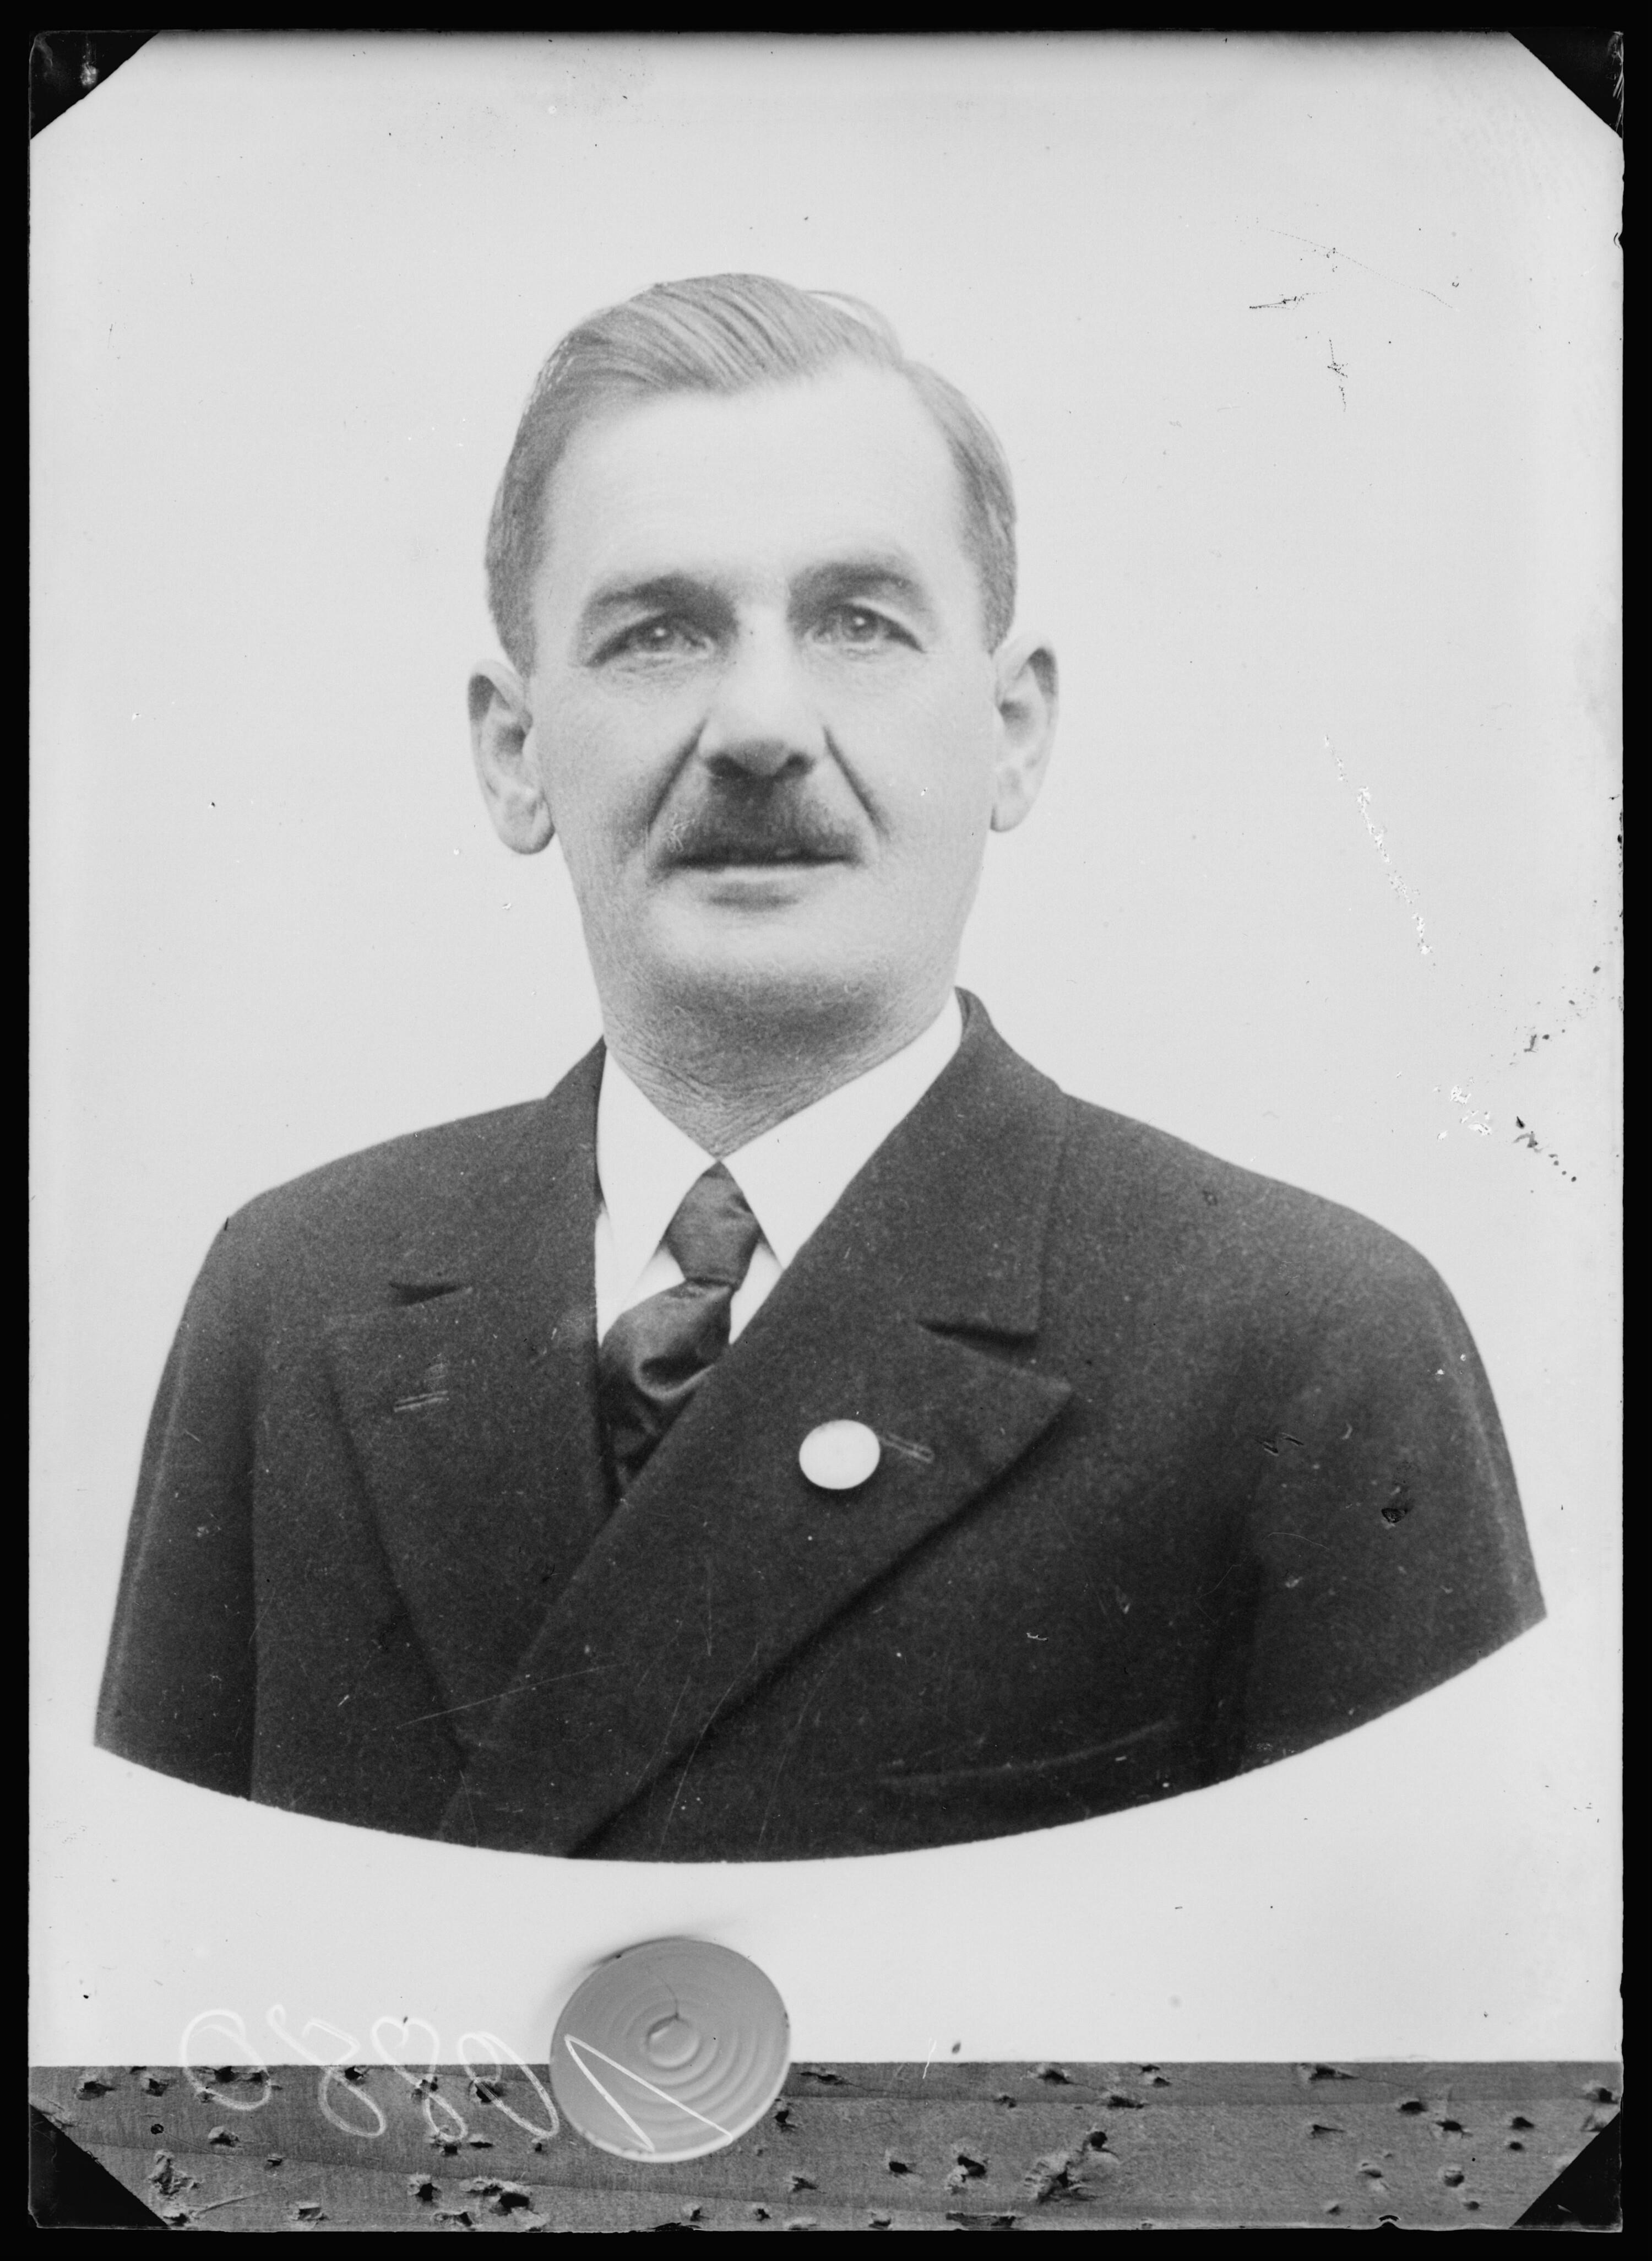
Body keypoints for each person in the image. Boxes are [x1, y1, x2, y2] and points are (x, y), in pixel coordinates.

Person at [95, 273, 1544, 1863]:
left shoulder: (1303, 1347)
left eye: (859, 624)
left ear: (1014, 731)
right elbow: (151, 1986)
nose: (762, 726)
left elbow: (1420, 2014)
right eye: (659, 634)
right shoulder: (295, 1300)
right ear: (515, 752)